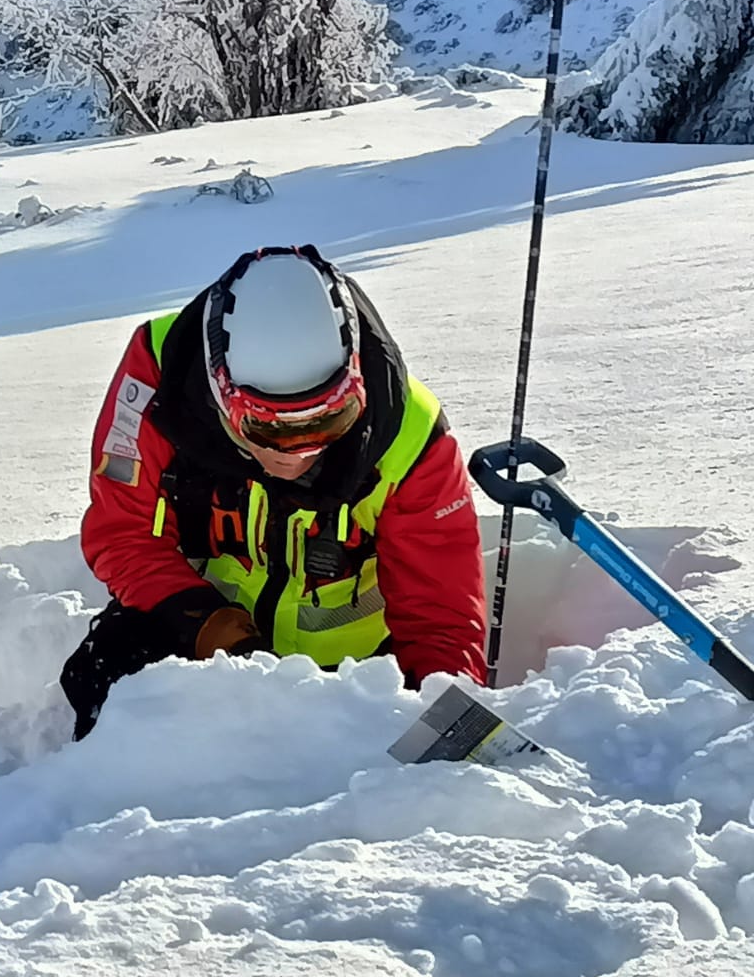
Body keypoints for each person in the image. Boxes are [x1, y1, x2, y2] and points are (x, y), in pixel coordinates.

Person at [61, 244, 487, 739]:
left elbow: (441, 615)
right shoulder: (156, 381)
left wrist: (451, 734)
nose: (299, 453)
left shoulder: (411, 434)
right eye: (269, 430)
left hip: (357, 682)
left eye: (330, 421)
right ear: (220, 399)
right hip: (195, 640)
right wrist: (205, 623)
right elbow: (121, 532)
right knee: (98, 676)